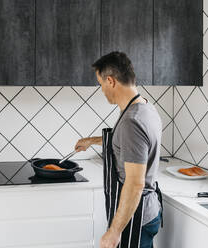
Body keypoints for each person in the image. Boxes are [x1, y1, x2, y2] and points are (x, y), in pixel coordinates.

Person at [74, 52, 163, 248]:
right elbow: (130, 143)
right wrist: (92, 141)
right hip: (146, 211)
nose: (102, 90)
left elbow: (134, 183)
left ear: (111, 81)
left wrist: (114, 232)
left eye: (101, 84)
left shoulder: (132, 121)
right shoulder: (145, 108)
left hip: (136, 217)